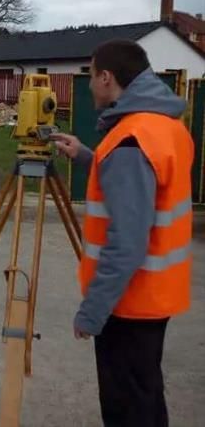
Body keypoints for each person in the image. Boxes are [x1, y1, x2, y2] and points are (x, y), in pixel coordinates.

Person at [51, 39, 193, 427]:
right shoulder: (164, 127)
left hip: (129, 301)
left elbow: (127, 241)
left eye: (91, 76)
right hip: (154, 294)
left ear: (107, 77)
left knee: (128, 409)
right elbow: (142, 187)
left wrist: (92, 312)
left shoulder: (130, 140)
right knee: (144, 396)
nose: (90, 84)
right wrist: (86, 156)